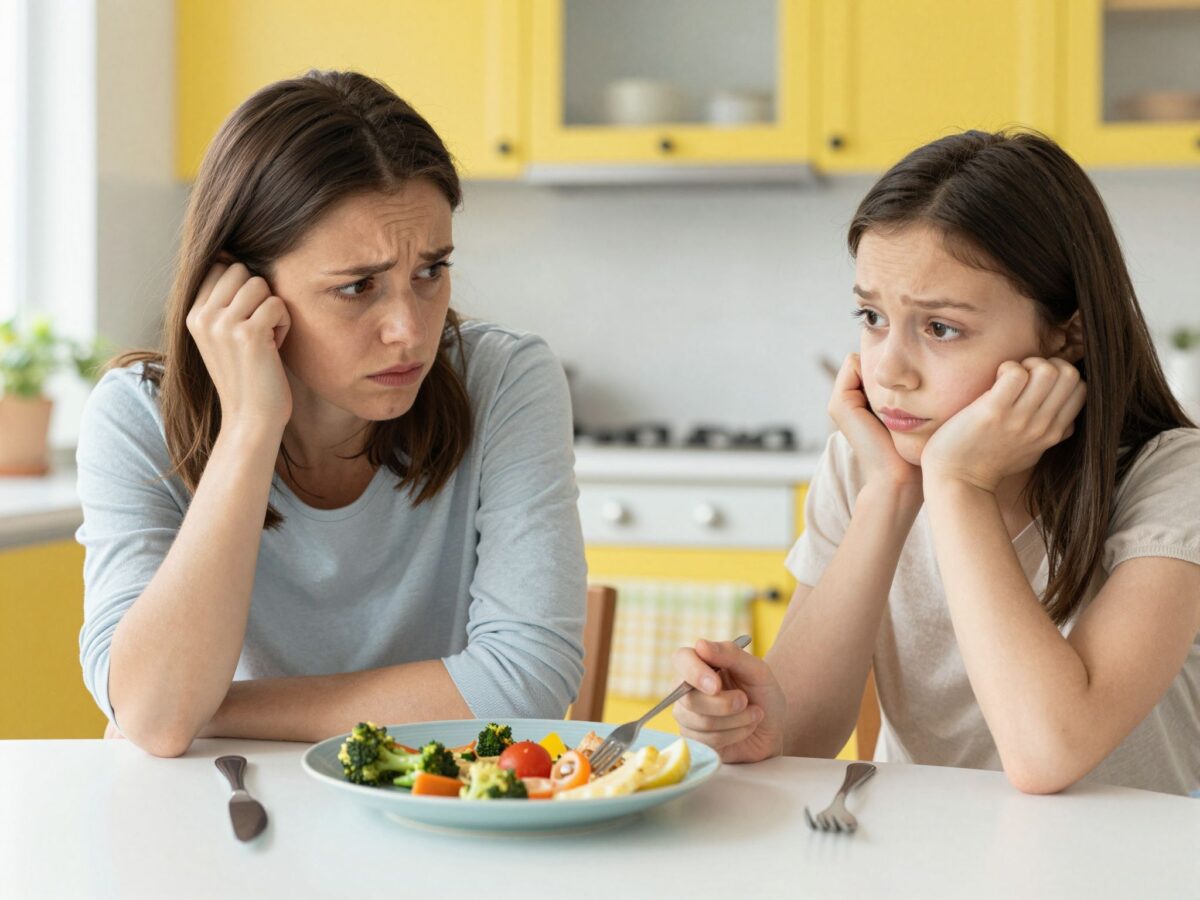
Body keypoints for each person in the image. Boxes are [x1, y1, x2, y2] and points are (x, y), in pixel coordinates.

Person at [672, 130, 1200, 796]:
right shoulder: (868, 464)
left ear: (1067, 334)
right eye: (871, 316)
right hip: (916, 848)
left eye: (940, 328)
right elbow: (797, 736)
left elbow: (1048, 753)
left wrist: (958, 484)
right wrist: (890, 494)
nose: (888, 370)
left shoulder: (1173, 479)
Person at [76, 71, 587, 757]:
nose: (410, 331)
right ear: (240, 289)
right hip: (229, 804)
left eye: (430, 272)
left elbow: (524, 689)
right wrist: (250, 427)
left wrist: (210, 711)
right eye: (357, 286)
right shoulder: (137, 417)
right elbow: (158, 717)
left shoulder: (505, 382)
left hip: (435, 803)